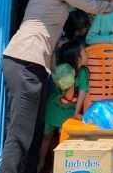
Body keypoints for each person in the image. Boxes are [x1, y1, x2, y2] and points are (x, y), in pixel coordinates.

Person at [1, 0, 113, 173]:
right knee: (20, 132)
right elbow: (90, 4)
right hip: (25, 61)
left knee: (35, 129)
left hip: (34, 63)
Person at [37, 41, 90, 172]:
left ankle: (57, 166)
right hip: (54, 109)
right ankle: (41, 162)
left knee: (63, 139)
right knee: (46, 137)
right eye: (84, 51)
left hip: (69, 111)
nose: (87, 53)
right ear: (76, 58)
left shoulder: (84, 72)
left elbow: (83, 92)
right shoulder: (63, 72)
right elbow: (69, 95)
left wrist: (77, 112)